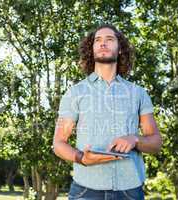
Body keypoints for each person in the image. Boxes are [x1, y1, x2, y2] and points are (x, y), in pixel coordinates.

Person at [53, 24, 162, 200]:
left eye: (109, 39)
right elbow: (58, 143)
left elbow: (155, 142)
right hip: (85, 190)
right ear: (92, 48)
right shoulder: (75, 93)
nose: (103, 43)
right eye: (98, 40)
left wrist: (134, 139)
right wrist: (81, 158)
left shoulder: (138, 93)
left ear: (120, 49)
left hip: (130, 191)